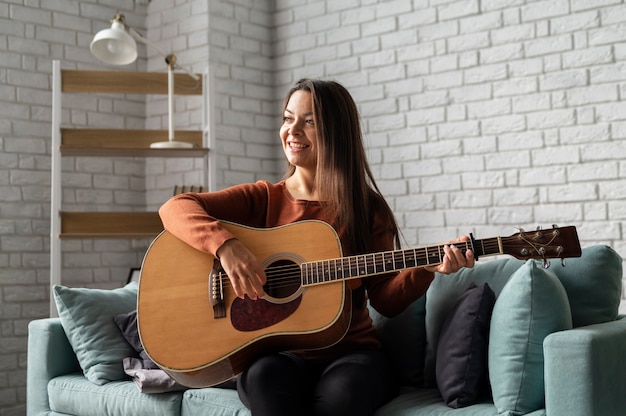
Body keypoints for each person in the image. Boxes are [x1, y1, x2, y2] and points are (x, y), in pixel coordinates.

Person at [158, 78, 475, 416]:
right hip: (278, 354)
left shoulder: (367, 209)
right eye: (287, 118)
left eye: (309, 121)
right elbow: (175, 207)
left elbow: (385, 299)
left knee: (343, 396)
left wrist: (426, 269)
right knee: (264, 380)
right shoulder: (264, 198)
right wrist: (225, 247)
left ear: (337, 133)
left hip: (353, 354)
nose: (292, 130)